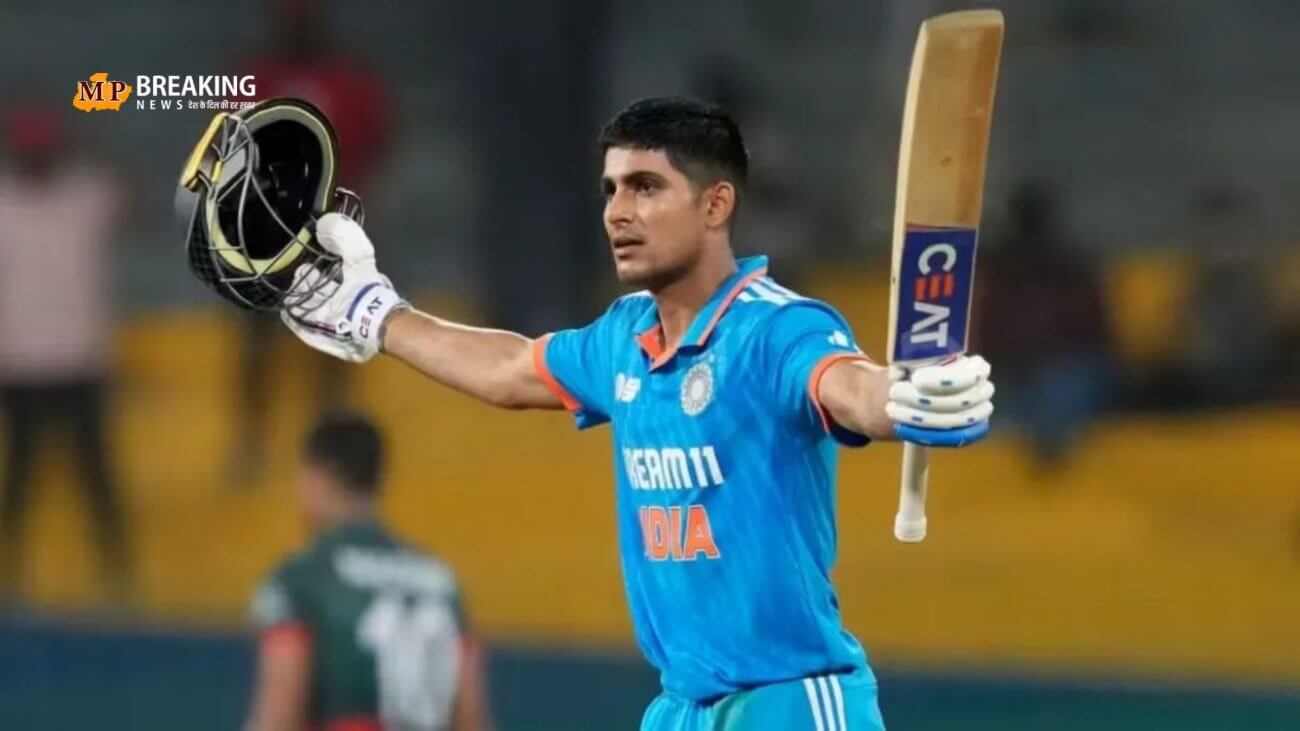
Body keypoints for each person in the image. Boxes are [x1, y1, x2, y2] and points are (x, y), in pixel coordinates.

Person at [276, 98, 996, 730]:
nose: (617, 212)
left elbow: (849, 388)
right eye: (611, 189)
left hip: (793, 703)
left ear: (716, 205)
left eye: (646, 186)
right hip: (680, 707)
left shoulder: (776, 327)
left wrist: (903, 398)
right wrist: (376, 314)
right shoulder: (623, 336)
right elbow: (508, 369)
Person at [246, 411, 491, 731]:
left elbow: (280, 713)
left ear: (318, 475)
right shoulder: (439, 581)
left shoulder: (303, 579)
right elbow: (471, 717)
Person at [0, 103, 130, 598]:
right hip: (20, 365)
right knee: (20, 478)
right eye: (29, 149)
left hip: (80, 361)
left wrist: (97, 114)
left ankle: (117, 574)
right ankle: (10, 578)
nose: (36, 158)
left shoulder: (86, 193)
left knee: (95, 477)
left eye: (42, 148)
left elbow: (127, 190)